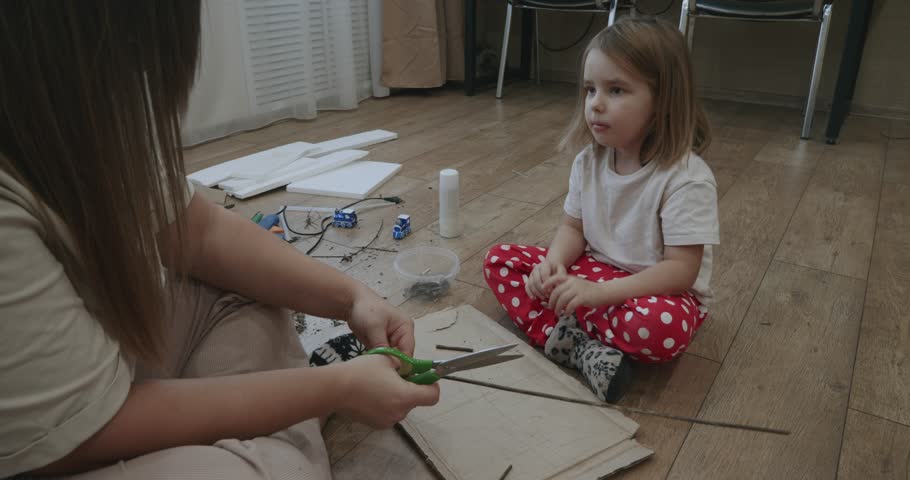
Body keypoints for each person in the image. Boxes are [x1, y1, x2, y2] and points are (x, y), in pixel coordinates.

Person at [0, 2, 439, 478]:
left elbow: (198, 231)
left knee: (249, 291)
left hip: (87, 389)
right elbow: (79, 435)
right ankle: (283, 448)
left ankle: (279, 442)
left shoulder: (87, 104)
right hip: (54, 443)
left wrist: (353, 297)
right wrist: (331, 389)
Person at [484, 18, 718, 403]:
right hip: (592, 272)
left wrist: (598, 294)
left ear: (662, 101)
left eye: (616, 90)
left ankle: (563, 326)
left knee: (661, 329)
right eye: (590, 89)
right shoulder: (587, 161)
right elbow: (572, 228)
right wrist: (554, 264)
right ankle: (578, 347)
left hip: (656, 291)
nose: (596, 103)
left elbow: (681, 271)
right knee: (500, 261)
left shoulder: (687, 178)